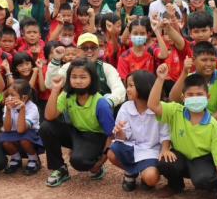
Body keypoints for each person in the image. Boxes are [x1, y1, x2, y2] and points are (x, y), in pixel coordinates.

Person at [149, 63, 217, 198]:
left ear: (207, 97)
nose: (195, 98)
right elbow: (152, 105)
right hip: (181, 156)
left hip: (202, 159)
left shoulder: (214, 126)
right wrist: (160, 79)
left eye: (199, 94)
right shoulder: (176, 110)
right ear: (183, 97)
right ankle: (175, 185)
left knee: (204, 179)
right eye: (190, 94)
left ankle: (213, 186)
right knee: (164, 162)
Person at [42, 58, 115, 186]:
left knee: (79, 162)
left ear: (91, 79)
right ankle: (60, 169)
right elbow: (49, 116)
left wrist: (100, 162)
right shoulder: (67, 94)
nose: (78, 81)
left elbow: (111, 135)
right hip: (76, 131)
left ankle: (94, 163)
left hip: (95, 137)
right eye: (74, 77)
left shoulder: (101, 103)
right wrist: (55, 90)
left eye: (83, 77)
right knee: (46, 127)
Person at [108, 70, 171, 191]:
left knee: (151, 179)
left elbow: (165, 134)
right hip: (133, 147)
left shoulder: (160, 108)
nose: (127, 89)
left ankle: (141, 172)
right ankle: (131, 172)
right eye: (127, 86)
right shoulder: (126, 106)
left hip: (152, 150)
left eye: (131, 86)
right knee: (112, 153)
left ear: (144, 86)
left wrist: (165, 150)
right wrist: (120, 132)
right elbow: (123, 137)